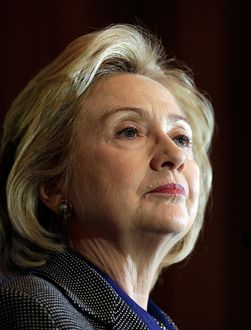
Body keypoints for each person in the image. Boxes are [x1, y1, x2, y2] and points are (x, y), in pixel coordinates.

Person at [0, 24, 214, 329]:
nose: (176, 155)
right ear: (53, 183)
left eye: (180, 137)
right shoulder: (35, 309)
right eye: (130, 131)